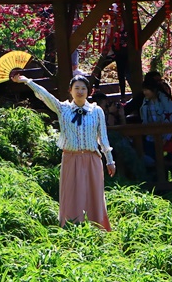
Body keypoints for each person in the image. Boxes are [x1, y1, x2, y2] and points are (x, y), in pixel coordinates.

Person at [12, 72, 115, 230]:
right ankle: (71, 226)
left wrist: (109, 160)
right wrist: (27, 81)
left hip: (92, 158)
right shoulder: (63, 109)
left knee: (94, 195)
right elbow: (45, 96)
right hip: (70, 158)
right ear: (70, 90)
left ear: (89, 91)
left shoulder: (97, 111)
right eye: (76, 88)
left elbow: (103, 138)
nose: (80, 91)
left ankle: (97, 227)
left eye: (83, 88)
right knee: (71, 193)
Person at [139, 79, 172, 170]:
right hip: (153, 136)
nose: (144, 92)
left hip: (170, 136)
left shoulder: (165, 101)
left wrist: (166, 137)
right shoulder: (146, 103)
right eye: (144, 90)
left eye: (147, 90)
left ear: (154, 90)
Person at [91, 3, 130, 95]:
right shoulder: (110, 25)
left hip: (122, 53)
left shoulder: (126, 25)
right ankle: (96, 88)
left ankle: (123, 95)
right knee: (99, 67)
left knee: (121, 74)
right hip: (111, 51)